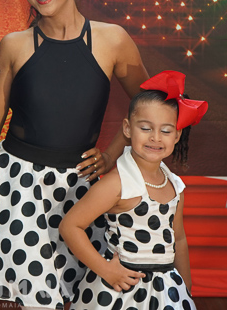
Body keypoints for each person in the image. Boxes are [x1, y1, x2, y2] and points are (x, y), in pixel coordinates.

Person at [0, 0, 150, 309]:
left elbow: (149, 107)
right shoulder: (13, 45)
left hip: (82, 191)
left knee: (86, 295)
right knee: (37, 300)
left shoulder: (113, 40)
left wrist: (111, 153)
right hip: (18, 189)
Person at [59, 70, 208, 310]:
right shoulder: (117, 183)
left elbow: (178, 238)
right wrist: (106, 270)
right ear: (127, 129)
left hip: (165, 291)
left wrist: (185, 288)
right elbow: (70, 226)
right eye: (146, 128)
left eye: (166, 130)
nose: (155, 138)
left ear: (177, 135)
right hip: (119, 292)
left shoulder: (175, 185)